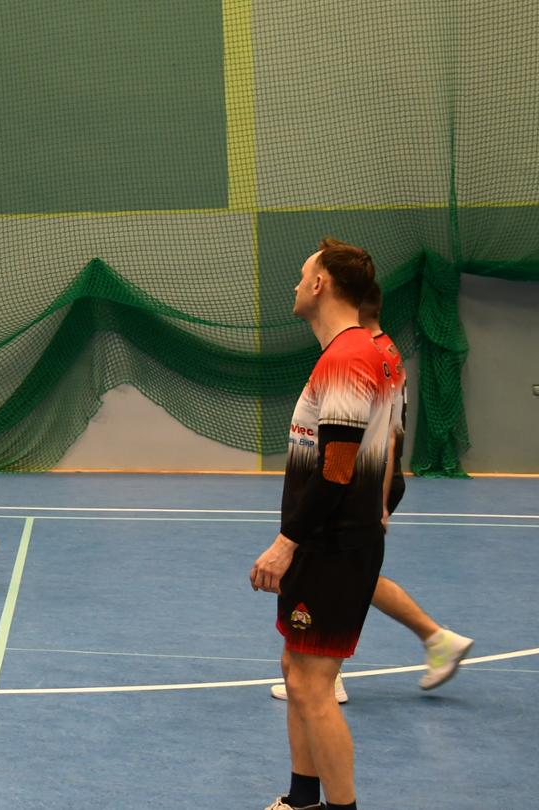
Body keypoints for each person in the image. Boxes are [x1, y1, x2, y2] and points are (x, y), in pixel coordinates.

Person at [270, 282, 473, 704]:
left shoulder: (363, 354)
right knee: (355, 575)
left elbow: (387, 436)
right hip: (374, 478)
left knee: (338, 568)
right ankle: (435, 639)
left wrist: (379, 501)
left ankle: (327, 673)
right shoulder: (384, 350)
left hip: (367, 481)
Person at [251, 238, 395, 810]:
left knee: (313, 684)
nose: (294, 285)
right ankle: (301, 800)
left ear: (320, 285)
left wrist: (285, 544)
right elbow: (385, 452)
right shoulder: (367, 351)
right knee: (296, 670)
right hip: (335, 539)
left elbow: (336, 471)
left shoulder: (347, 358)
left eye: (302, 274)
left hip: (332, 544)